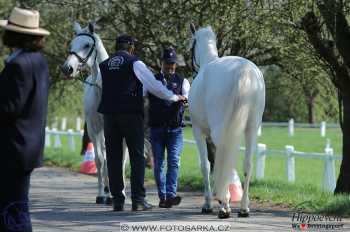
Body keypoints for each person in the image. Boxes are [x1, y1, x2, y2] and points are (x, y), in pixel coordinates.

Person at [98, 35, 186, 212]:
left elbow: (103, 87)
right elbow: (154, 86)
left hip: (109, 115)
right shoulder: (134, 62)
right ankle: (138, 200)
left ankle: (117, 200)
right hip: (130, 114)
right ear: (130, 47)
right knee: (137, 156)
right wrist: (174, 96)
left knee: (114, 157)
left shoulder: (104, 64)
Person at [0, 7, 50, 232]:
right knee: (17, 206)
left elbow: (9, 107)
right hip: (27, 146)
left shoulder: (18, 65)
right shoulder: (38, 61)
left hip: (13, 147)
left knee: (13, 208)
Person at [148, 47, 190, 208]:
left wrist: (184, 99)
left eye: (173, 64)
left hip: (175, 130)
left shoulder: (182, 81)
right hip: (156, 129)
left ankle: (171, 196)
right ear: (162, 63)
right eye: (167, 64)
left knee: (174, 162)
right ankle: (163, 196)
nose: (170, 67)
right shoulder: (152, 80)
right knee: (159, 164)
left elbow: (187, 96)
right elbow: (142, 94)